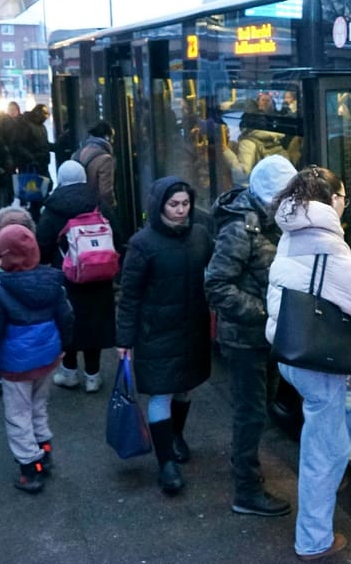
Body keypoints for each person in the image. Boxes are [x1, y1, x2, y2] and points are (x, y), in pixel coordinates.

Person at [265, 166, 351, 560]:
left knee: (349, 399)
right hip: (319, 360)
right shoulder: (326, 243)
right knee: (322, 451)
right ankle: (313, 539)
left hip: (289, 348)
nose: (346, 203)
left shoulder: (292, 228)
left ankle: (333, 471)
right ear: (331, 201)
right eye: (343, 196)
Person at [205, 155, 298, 517]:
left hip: (266, 336)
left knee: (261, 406)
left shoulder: (270, 220)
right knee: (250, 413)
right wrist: (263, 312)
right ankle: (246, 490)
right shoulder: (241, 228)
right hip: (245, 339)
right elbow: (216, 284)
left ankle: (248, 471)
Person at [116, 177, 212, 496]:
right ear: (159, 206)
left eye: (186, 204)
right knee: (162, 393)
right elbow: (128, 296)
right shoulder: (142, 244)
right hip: (156, 331)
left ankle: (175, 436)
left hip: (191, 327)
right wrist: (124, 340)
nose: (181, 211)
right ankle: (166, 463)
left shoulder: (200, 235)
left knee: (184, 388)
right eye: (174, 205)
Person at [0, 224, 74, 494]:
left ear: (4, 256)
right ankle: (45, 451)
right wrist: (65, 347)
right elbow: (67, 318)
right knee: (38, 406)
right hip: (48, 358)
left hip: (16, 365)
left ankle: (31, 469)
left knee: (18, 415)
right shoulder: (53, 281)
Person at [37, 161, 119, 393]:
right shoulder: (99, 203)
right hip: (100, 276)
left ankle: (69, 372)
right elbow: (119, 235)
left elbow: (41, 245)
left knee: (67, 322)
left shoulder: (53, 208)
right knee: (95, 324)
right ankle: (93, 375)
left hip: (65, 276)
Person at [76, 120, 116, 209]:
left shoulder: (78, 153)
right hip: (96, 208)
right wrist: (111, 207)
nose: (113, 141)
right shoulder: (105, 159)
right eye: (112, 137)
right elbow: (105, 191)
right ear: (107, 137)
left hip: (80, 205)